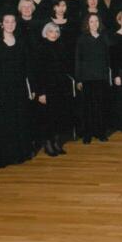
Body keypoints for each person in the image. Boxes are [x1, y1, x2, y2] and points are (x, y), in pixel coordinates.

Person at [0, 13, 34, 168]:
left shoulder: (21, 43)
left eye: (13, 22)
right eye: (7, 21)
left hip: (18, 89)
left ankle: (17, 154)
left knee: (18, 122)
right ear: (1, 24)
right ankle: (3, 157)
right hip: (1, 90)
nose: (10, 24)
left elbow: (27, 68)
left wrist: (31, 89)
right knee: (3, 124)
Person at [33, 22, 73, 157]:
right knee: (47, 118)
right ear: (46, 33)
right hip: (46, 88)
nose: (54, 34)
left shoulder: (61, 46)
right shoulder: (40, 48)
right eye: (51, 31)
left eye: (56, 32)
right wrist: (41, 92)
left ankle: (56, 142)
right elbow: (38, 73)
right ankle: (48, 144)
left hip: (60, 87)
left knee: (58, 117)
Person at [75, 13, 111, 144]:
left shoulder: (104, 38)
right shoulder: (82, 39)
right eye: (91, 21)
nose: (94, 24)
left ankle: (100, 132)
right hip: (87, 77)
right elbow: (78, 59)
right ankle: (87, 134)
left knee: (101, 106)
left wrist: (108, 75)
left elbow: (109, 57)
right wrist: (78, 79)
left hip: (101, 76)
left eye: (96, 21)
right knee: (87, 108)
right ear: (87, 24)